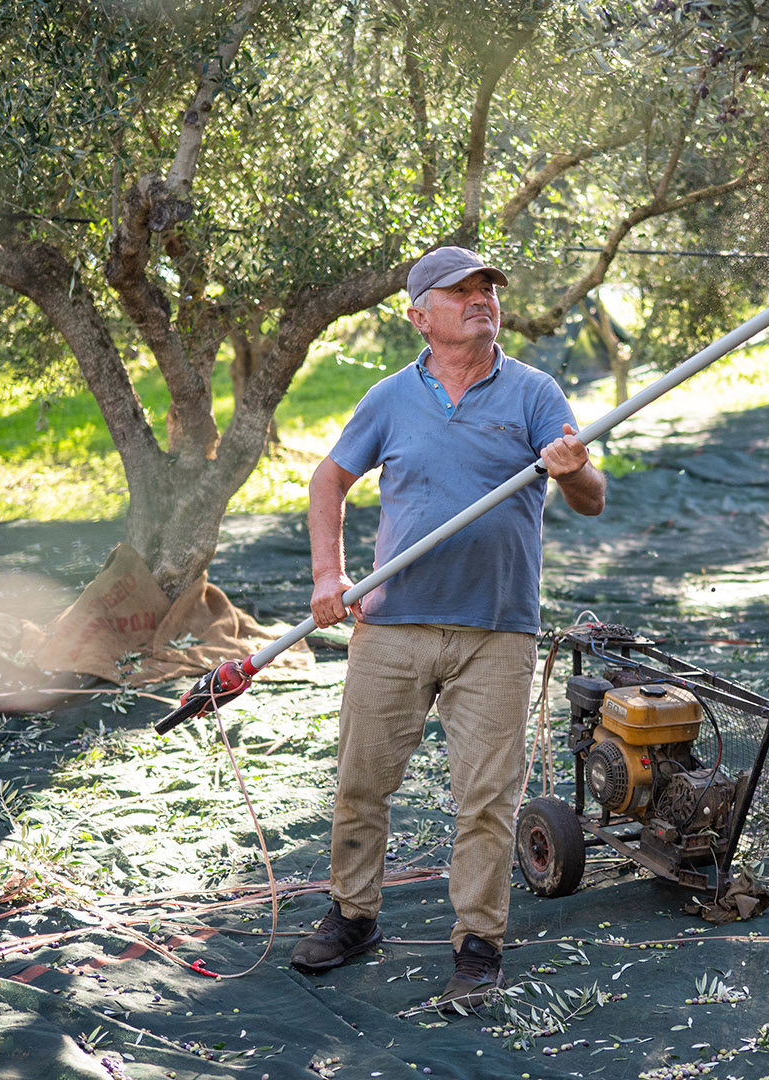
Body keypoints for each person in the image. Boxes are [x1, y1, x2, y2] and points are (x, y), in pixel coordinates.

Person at [292, 245, 607, 1009]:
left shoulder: (533, 392)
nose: (480, 300)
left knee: (488, 798)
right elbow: (330, 479)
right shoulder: (390, 398)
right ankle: (354, 915)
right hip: (393, 626)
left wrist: (572, 469)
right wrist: (328, 577)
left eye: (487, 289)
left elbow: (592, 497)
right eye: (460, 290)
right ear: (418, 315)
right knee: (362, 782)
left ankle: (477, 944)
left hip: (498, 629)